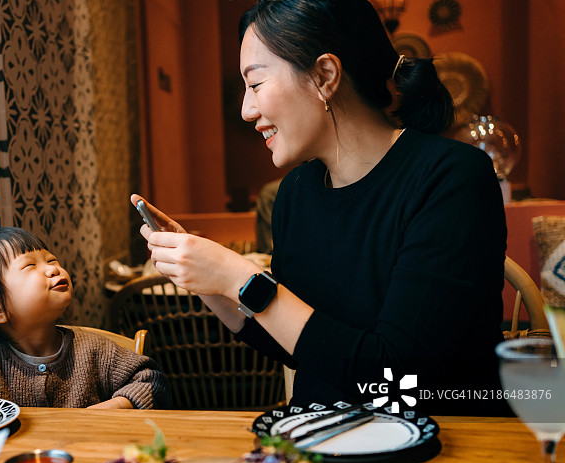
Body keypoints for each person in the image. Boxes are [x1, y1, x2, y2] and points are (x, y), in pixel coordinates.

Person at [132, 0, 509, 415]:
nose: (246, 109)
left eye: (255, 84)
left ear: (324, 76)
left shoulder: (452, 178)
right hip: (319, 443)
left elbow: (398, 377)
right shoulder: (295, 193)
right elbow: (300, 344)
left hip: (437, 444)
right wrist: (209, 282)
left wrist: (238, 275)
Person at [0, 227, 171, 409]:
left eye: (51, 260)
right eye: (30, 266)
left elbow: (153, 382)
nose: (53, 269)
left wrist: (115, 406)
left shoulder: (94, 350)